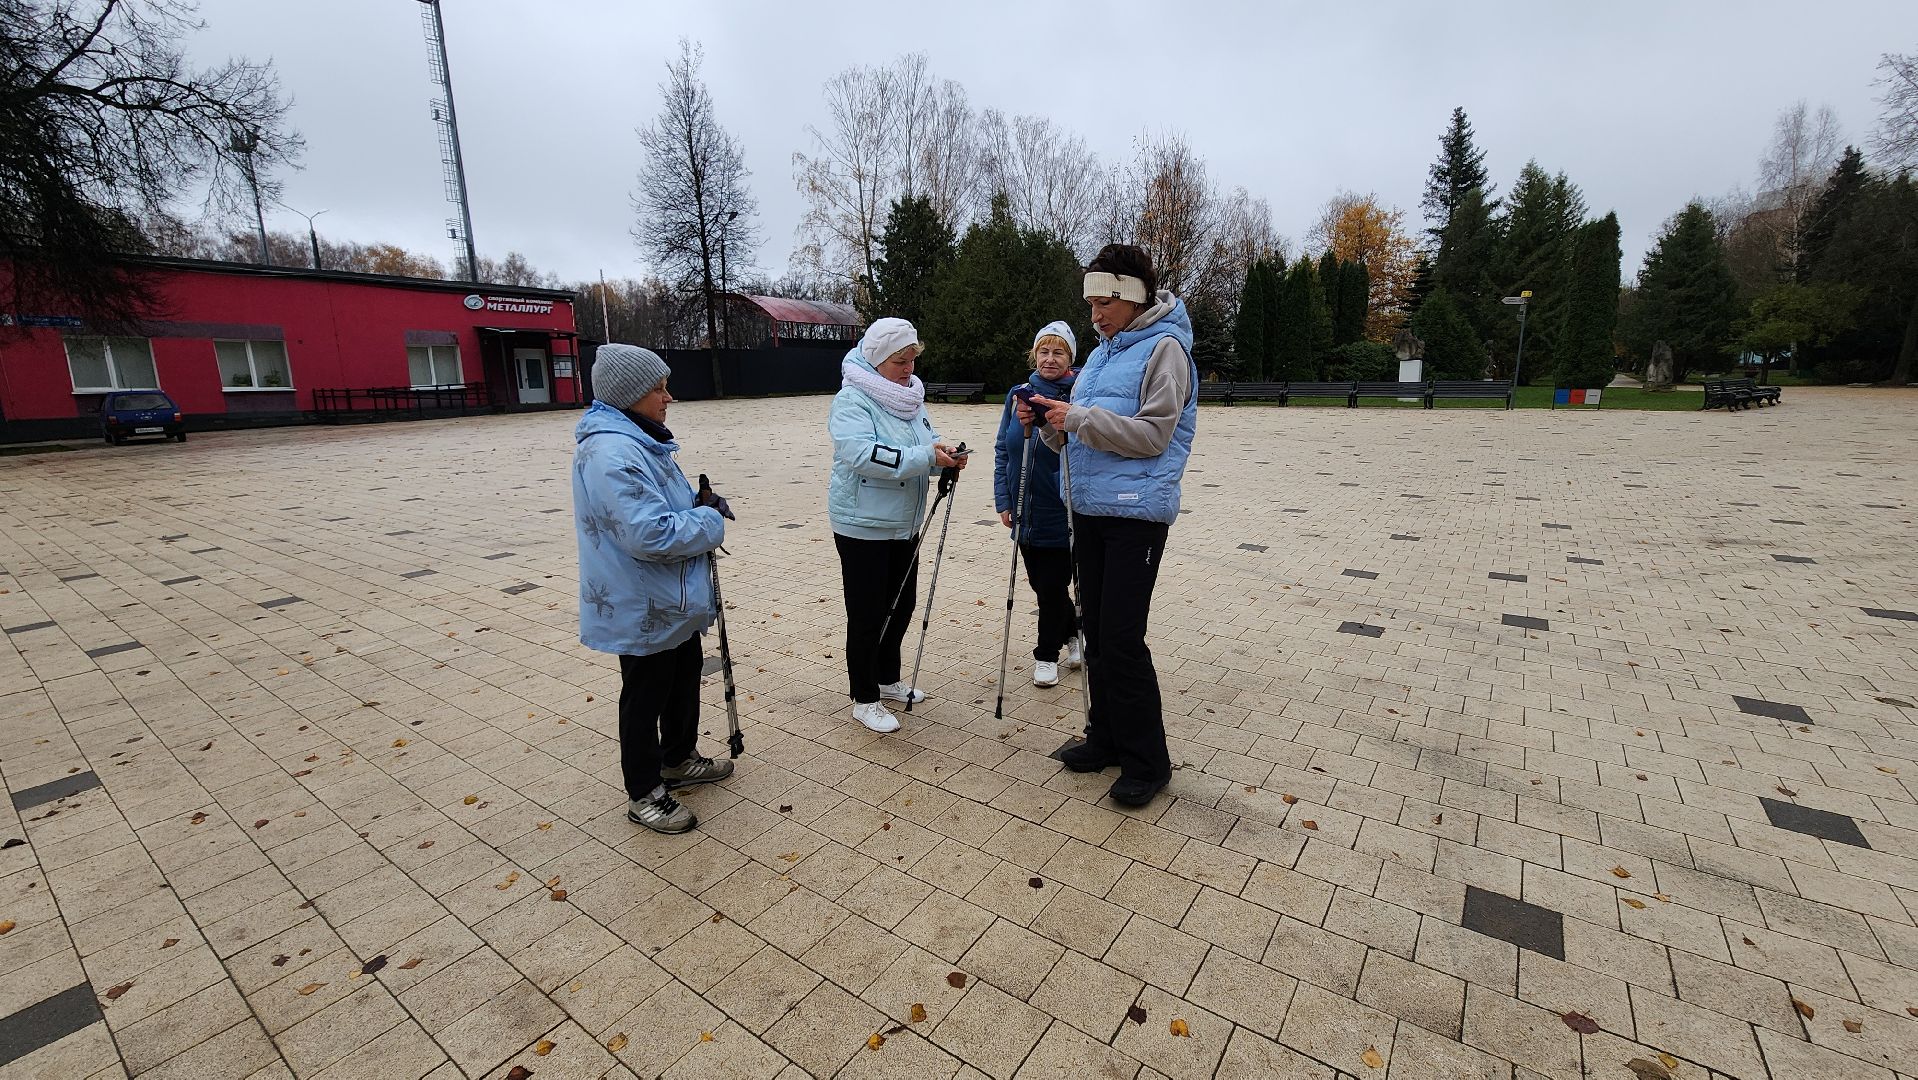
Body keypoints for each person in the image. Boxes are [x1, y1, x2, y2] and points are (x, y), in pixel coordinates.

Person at [1019, 245, 1197, 807]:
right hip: (1090, 508)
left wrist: (1075, 417)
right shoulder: (1100, 355)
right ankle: (1106, 738)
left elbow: (1153, 436)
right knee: (1095, 629)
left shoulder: (1167, 349)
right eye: (1091, 304)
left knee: (1121, 638)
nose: (1094, 315)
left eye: (1104, 303)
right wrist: (1049, 421)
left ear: (1131, 296)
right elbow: (1080, 434)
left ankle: (1149, 762)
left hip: (1135, 516)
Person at [574, 343, 737, 834]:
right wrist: (707, 519)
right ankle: (644, 790)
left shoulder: (642, 438)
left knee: (683, 675)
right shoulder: (611, 452)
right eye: (658, 388)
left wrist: (698, 501)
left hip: (669, 599)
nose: (669, 397)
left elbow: (660, 507)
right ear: (629, 395)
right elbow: (649, 533)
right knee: (645, 694)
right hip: (641, 600)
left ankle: (678, 757)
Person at [828, 317, 969, 733]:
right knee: (868, 611)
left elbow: (923, 439)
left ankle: (887, 679)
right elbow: (863, 454)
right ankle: (863, 696)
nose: (908, 369)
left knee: (900, 605)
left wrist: (942, 448)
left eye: (911, 360)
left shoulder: (909, 397)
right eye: (899, 362)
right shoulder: (853, 399)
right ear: (876, 360)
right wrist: (928, 458)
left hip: (903, 523)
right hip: (863, 524)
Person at [993, 321, 1083, 687]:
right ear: (1034, 355)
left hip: (1061, 507)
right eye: (1043, 351)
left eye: (1058, 352)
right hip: (1023, 507)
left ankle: (1046, 655)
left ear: (1070, 358)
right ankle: (1076, 632)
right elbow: (1003, 448)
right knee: (1043, 584)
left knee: (1051, 585)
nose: (1050, 359)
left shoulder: (1079, 395)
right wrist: (1003, 497)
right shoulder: (1018, 394)